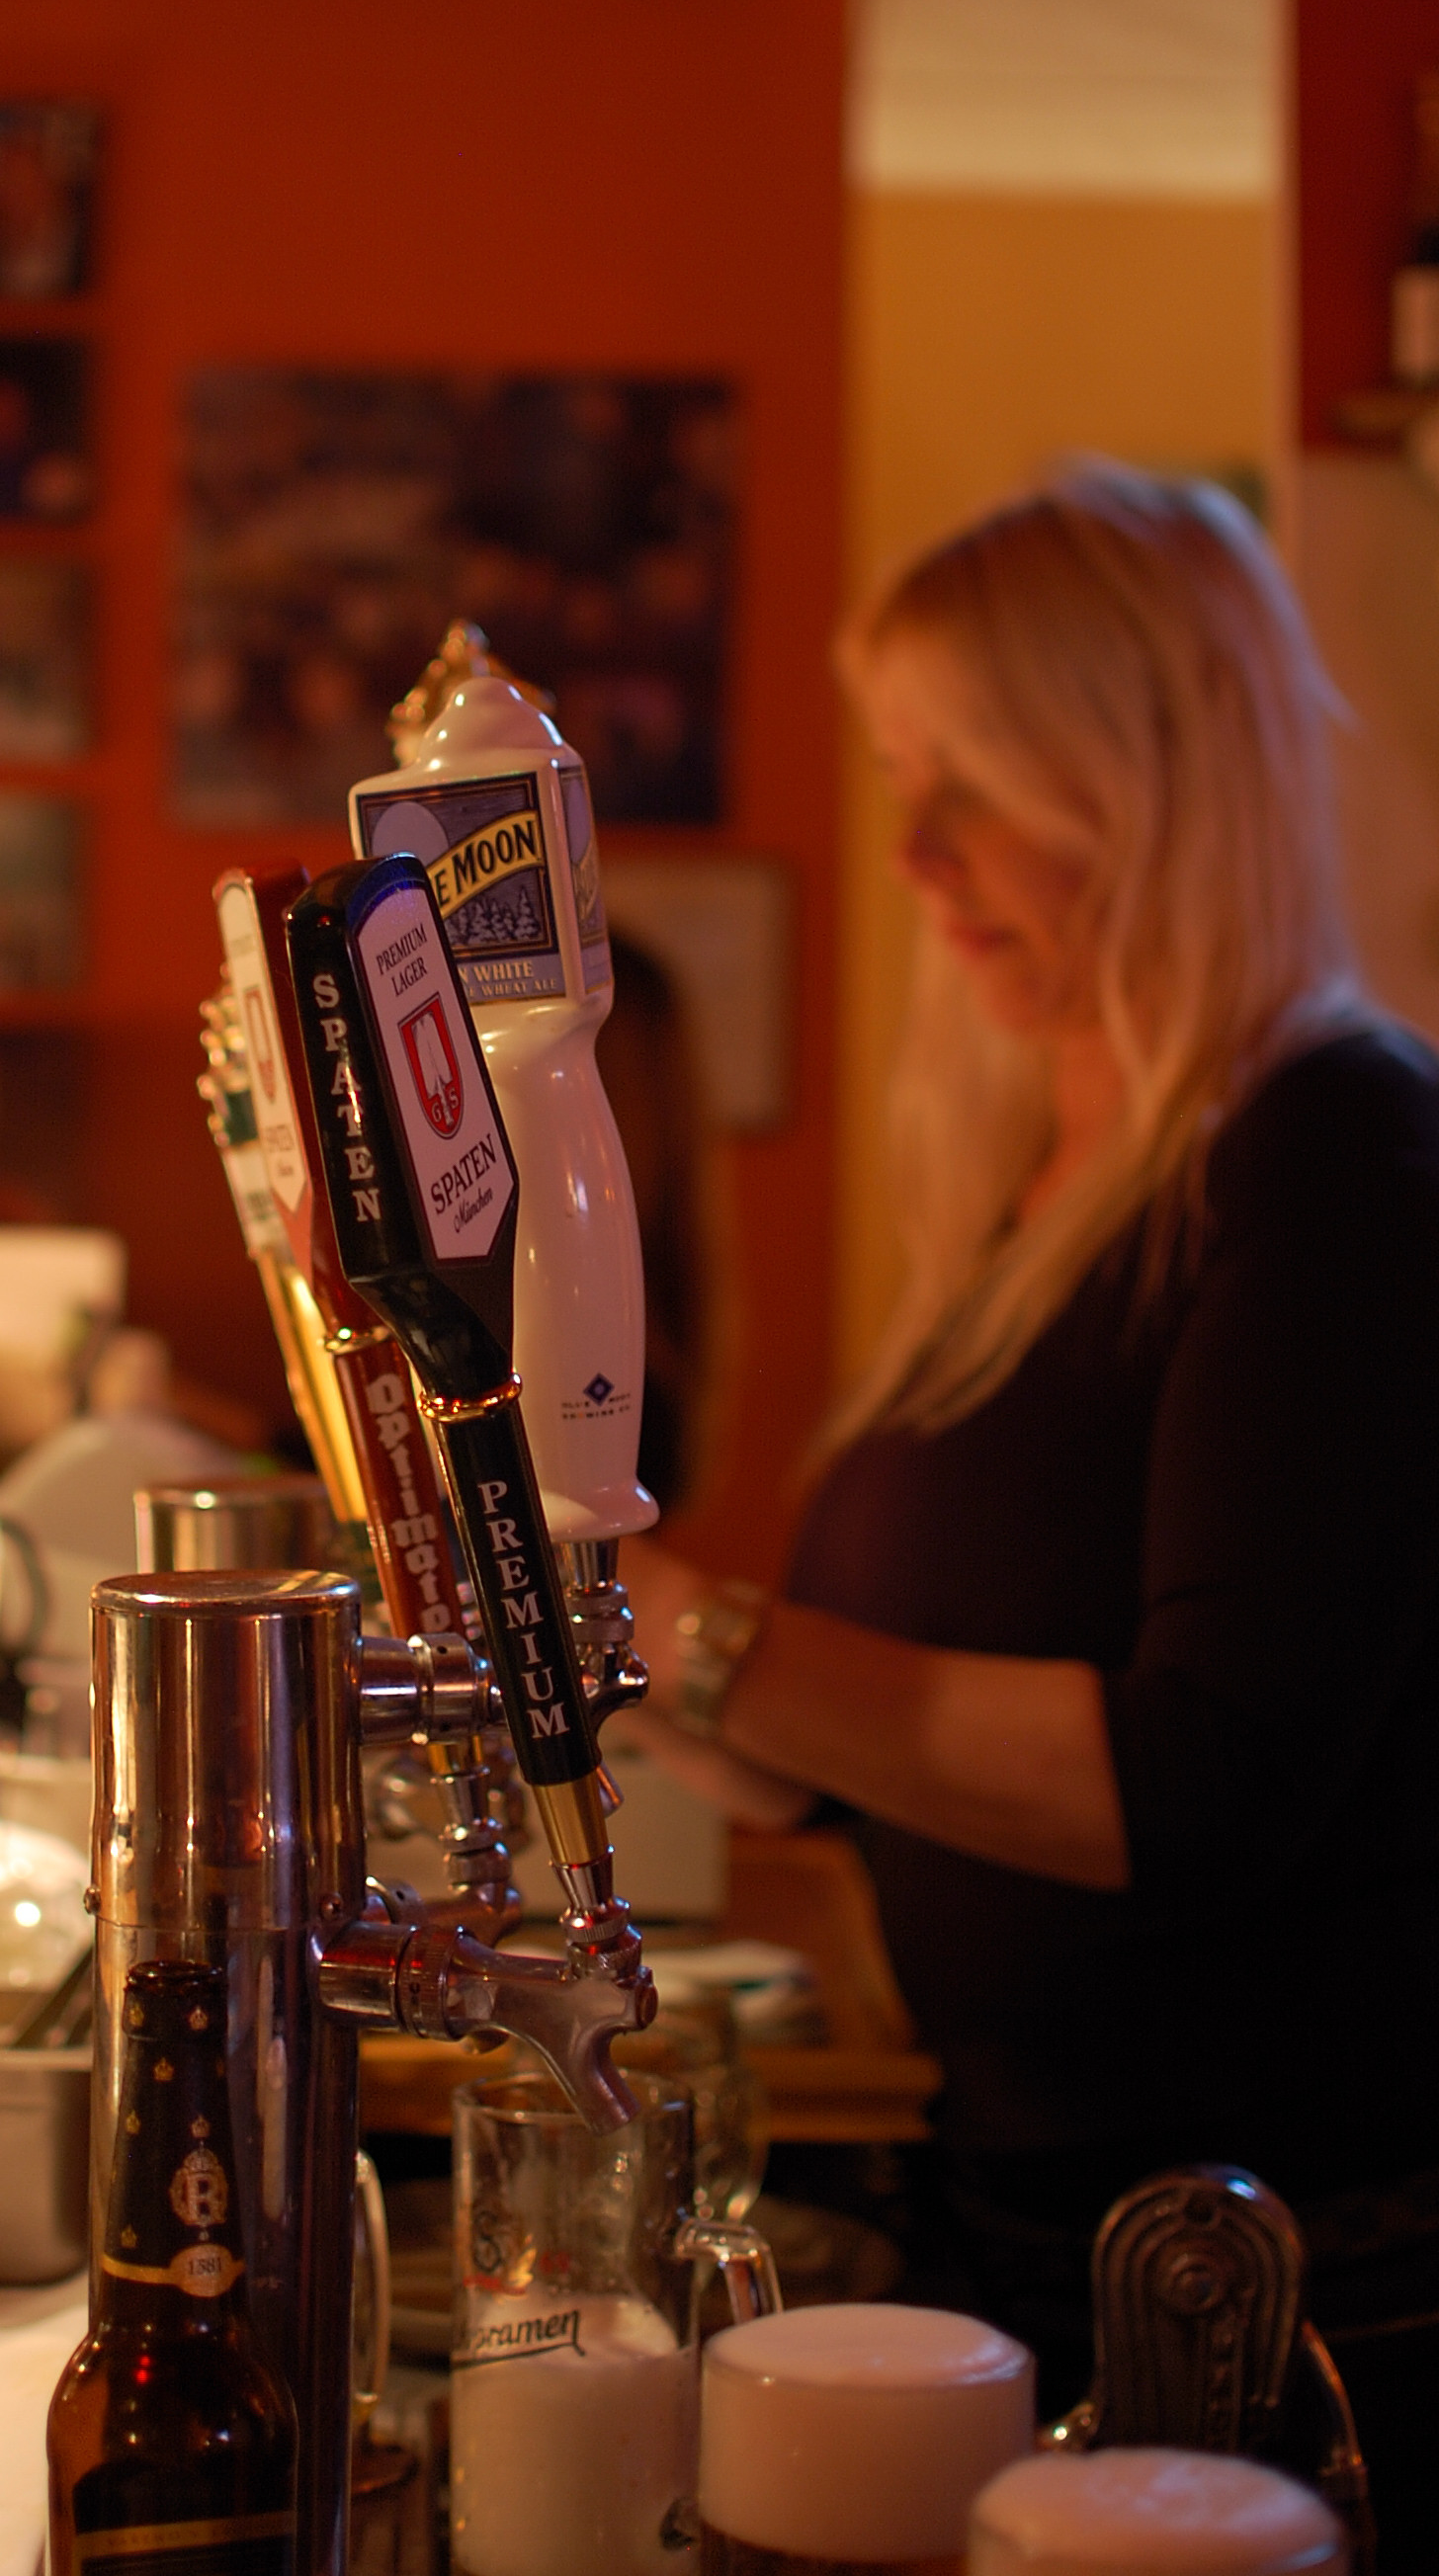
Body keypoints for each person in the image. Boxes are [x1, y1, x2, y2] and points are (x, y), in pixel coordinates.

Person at [624, 463, 1439, 2557]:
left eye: (972, 786)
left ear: (1156, 777)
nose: (915, 856)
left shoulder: (1337, 1152)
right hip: (1023, 2236)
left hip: (1264, 2316)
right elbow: (844, 1763)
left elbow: (1202, 1777)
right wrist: (552, 1611)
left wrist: (684, 1625)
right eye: (908, 783)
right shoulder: (1054, 1178)